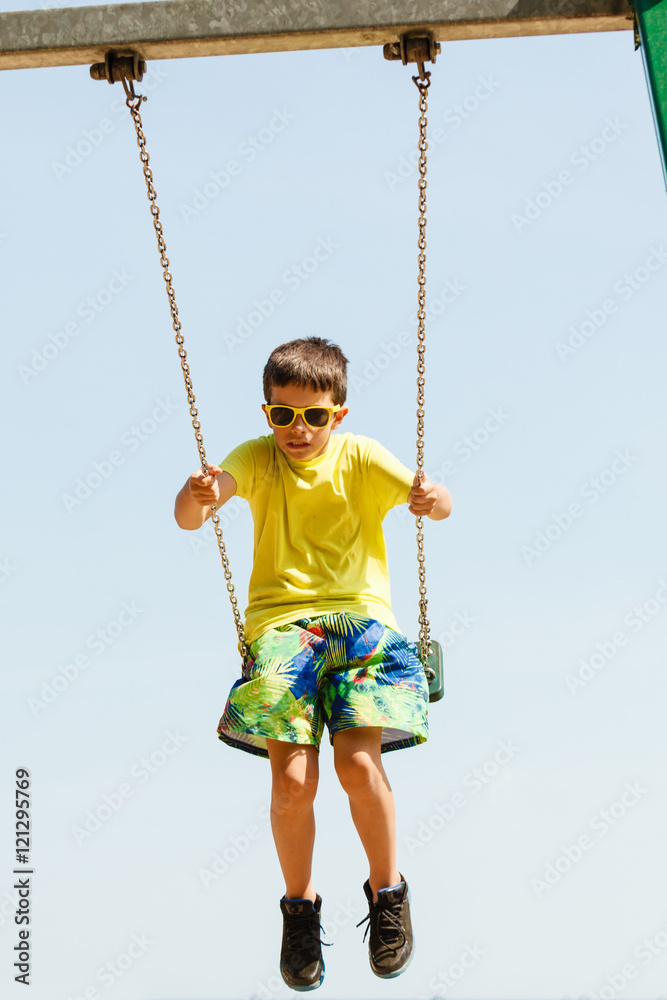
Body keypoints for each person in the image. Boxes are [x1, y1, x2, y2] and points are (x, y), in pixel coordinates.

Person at [174, 337, 452, 991]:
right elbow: (191, 518)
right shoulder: (256, 459)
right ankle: (299, 907)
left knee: (358, 764)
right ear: (267, 412)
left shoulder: (361, 456)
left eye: (313, 417)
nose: (297, 430)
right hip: (281, 630)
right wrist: (199, 492)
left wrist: (429, 498)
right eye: (282, 415)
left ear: (338, 415)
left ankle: (388, 895)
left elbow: (439, 506)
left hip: (361, 625)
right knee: (293, 783)